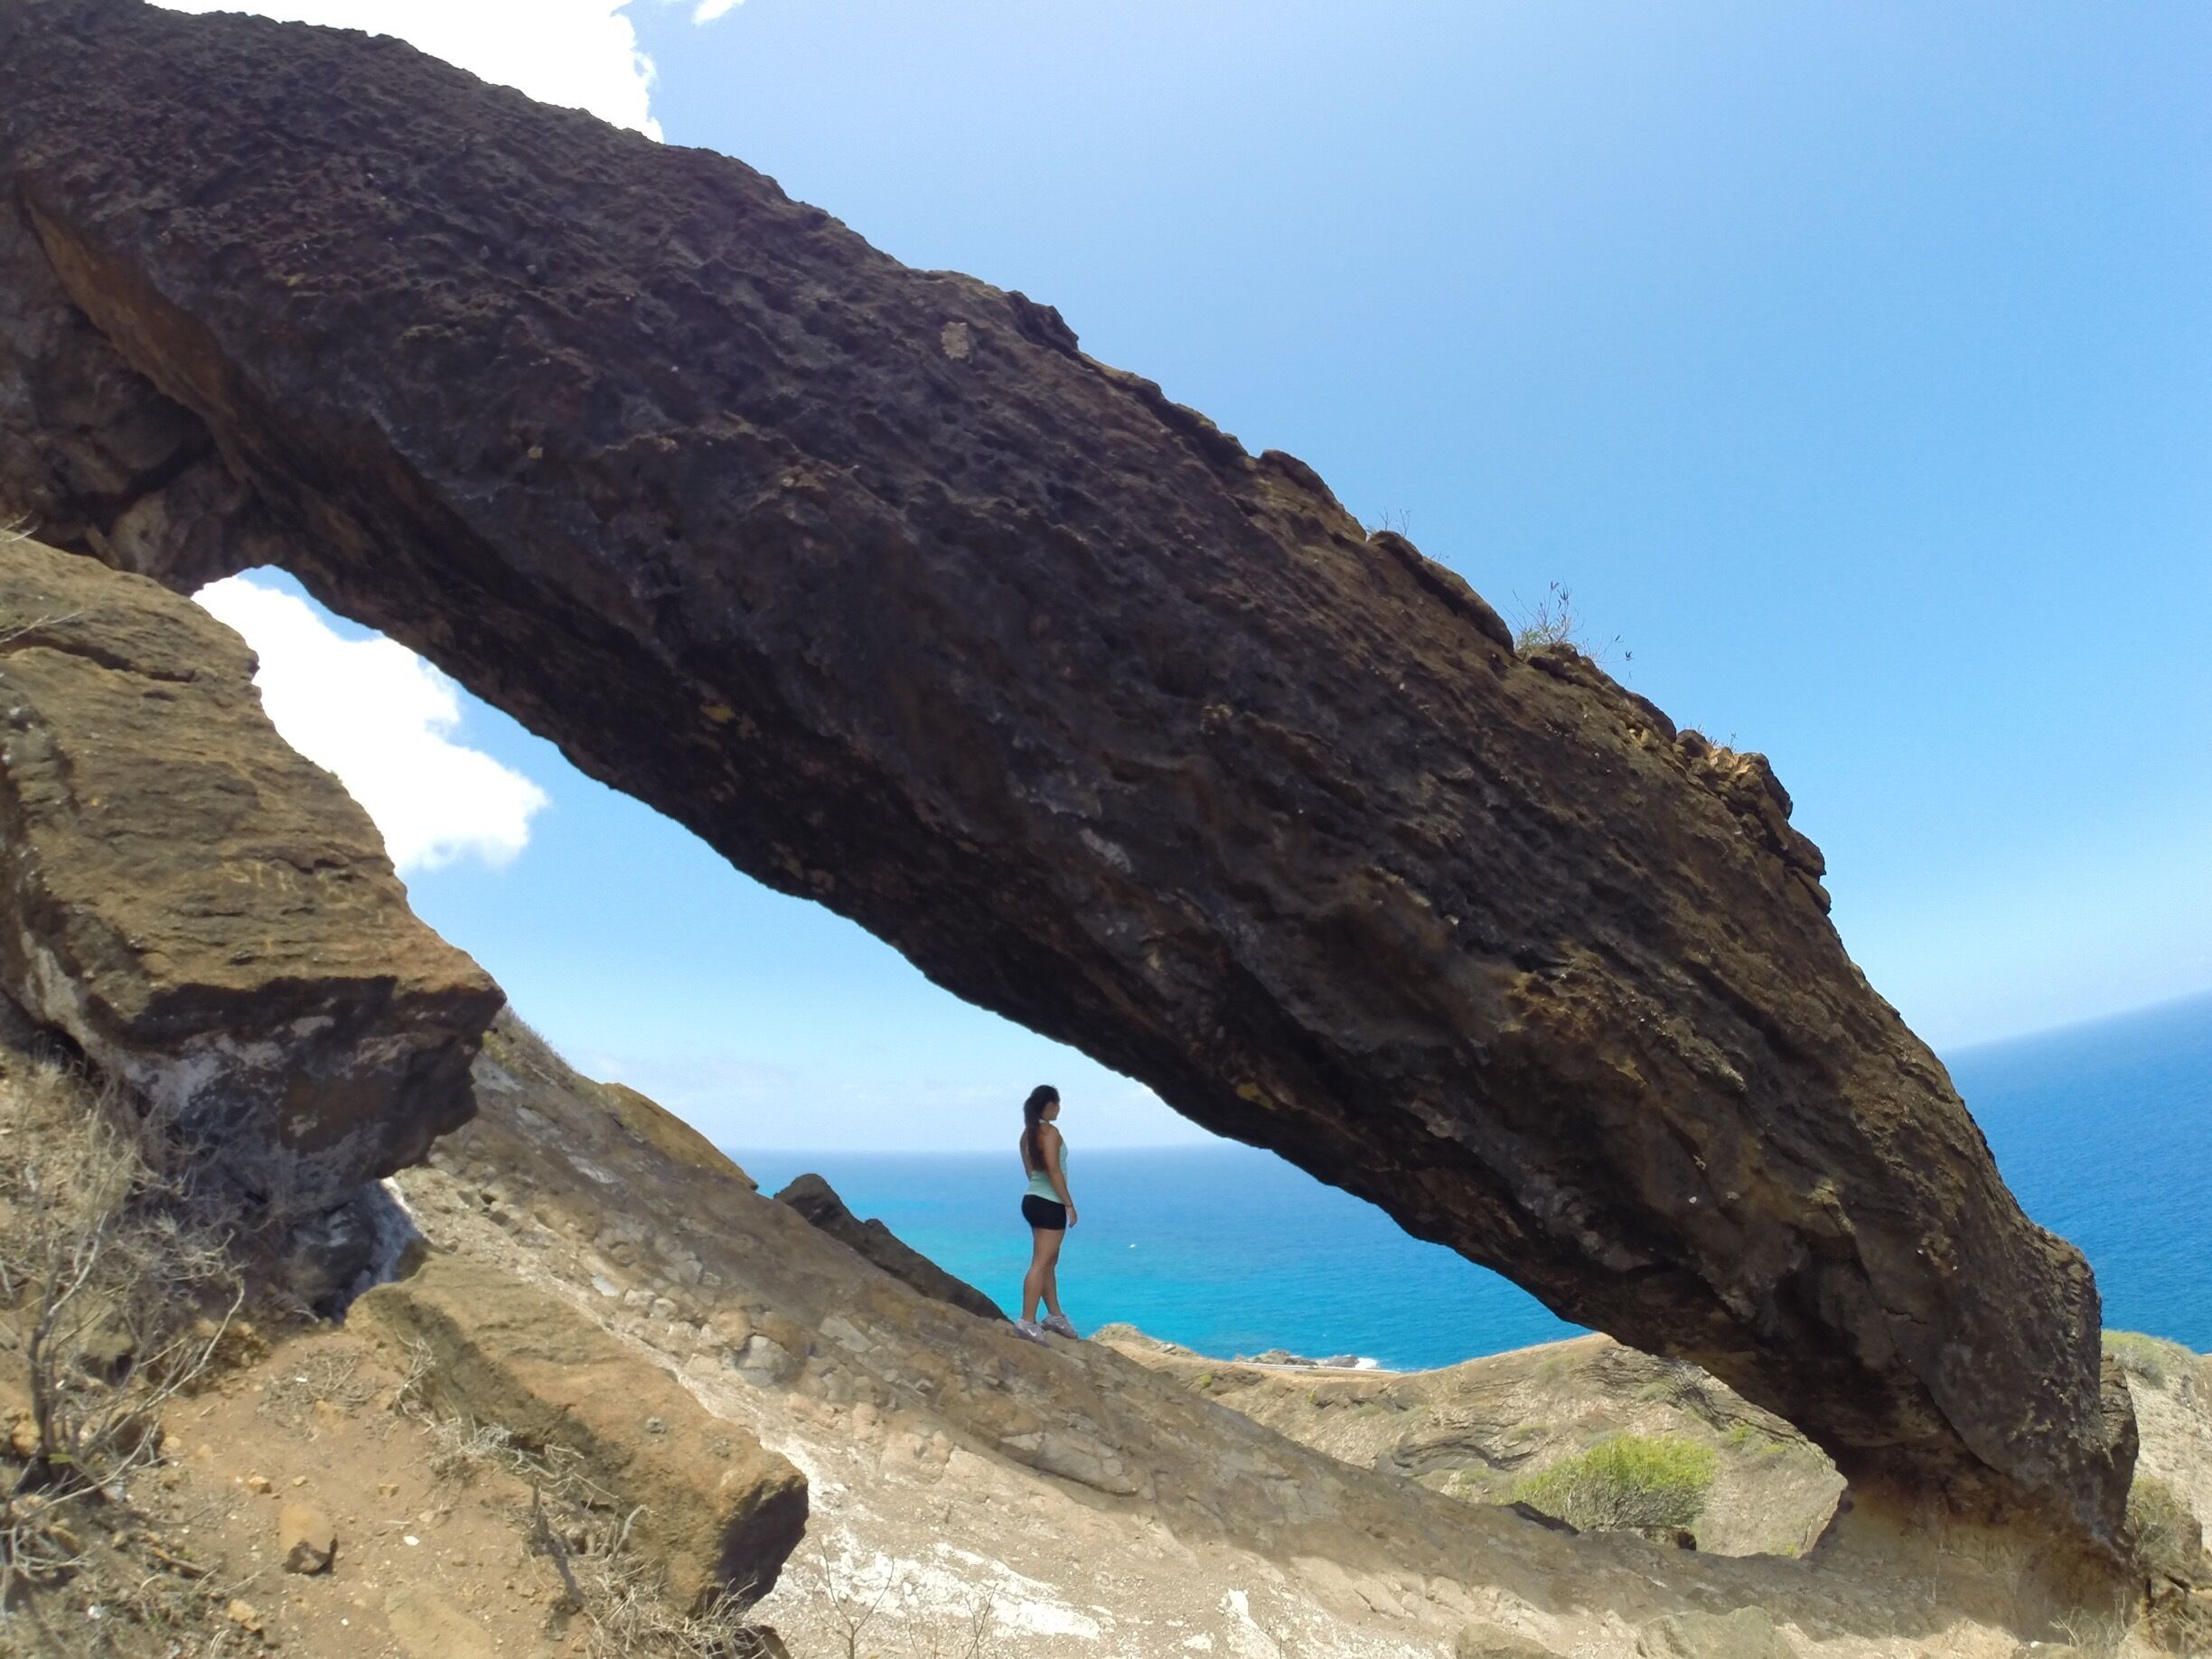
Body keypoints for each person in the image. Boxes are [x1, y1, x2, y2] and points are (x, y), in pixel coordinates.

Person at [1014, 1083, 1079, 1343]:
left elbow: (1030, 1171)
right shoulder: (1051, 1133)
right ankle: (1027, 1321)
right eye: (1057, 1104)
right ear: (1049, 1105)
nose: (1060, 1109)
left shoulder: (1027, 1134)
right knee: (1041, 1263)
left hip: (1032, 1199)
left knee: (1048, 1261)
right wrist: (1068, 1204)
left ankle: (1054, 1315)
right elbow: (1054, 1170)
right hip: (1050, 1204)